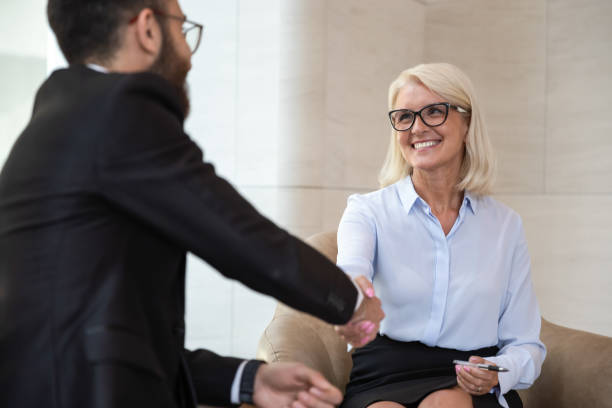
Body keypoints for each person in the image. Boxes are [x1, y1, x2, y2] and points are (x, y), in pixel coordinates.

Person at [0, 1, 385, 407]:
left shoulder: (58, 124)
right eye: (183, 29)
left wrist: (249, 379)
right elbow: (238, 234)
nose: (187, 51)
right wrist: (351, 301)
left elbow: (114, 336)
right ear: (148, 29)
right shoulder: (120, 110)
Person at [335, 63, 546, 408]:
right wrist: (353, 295)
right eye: (404, 117)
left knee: (445, 404)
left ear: (466, 123)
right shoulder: (367, 211)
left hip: (469, 377)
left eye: (434, 112)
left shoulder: (506, 225)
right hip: (384, 374)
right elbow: (350, 271)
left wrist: (498, 371)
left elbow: (525, 343)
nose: (417, 128)